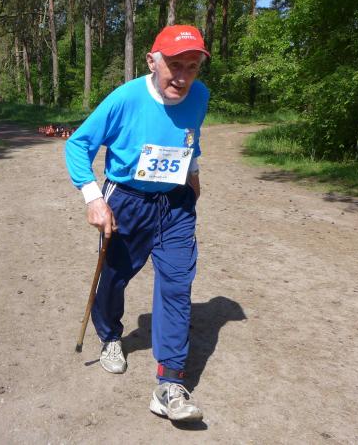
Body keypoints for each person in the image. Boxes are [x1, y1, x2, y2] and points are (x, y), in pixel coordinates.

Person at [64, 25, 210, 423]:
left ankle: (170, 384)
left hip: (176, 204)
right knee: (114, 277)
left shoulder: (200, 96)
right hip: (127, 200)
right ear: (152, 61)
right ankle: (111, 335)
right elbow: (78, 144)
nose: (182, 77)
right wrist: (93, 198)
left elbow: (190, 138)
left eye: (192, 67)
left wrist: (193, 172)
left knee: (177, 285)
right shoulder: (125, 98)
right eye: (174, 66)